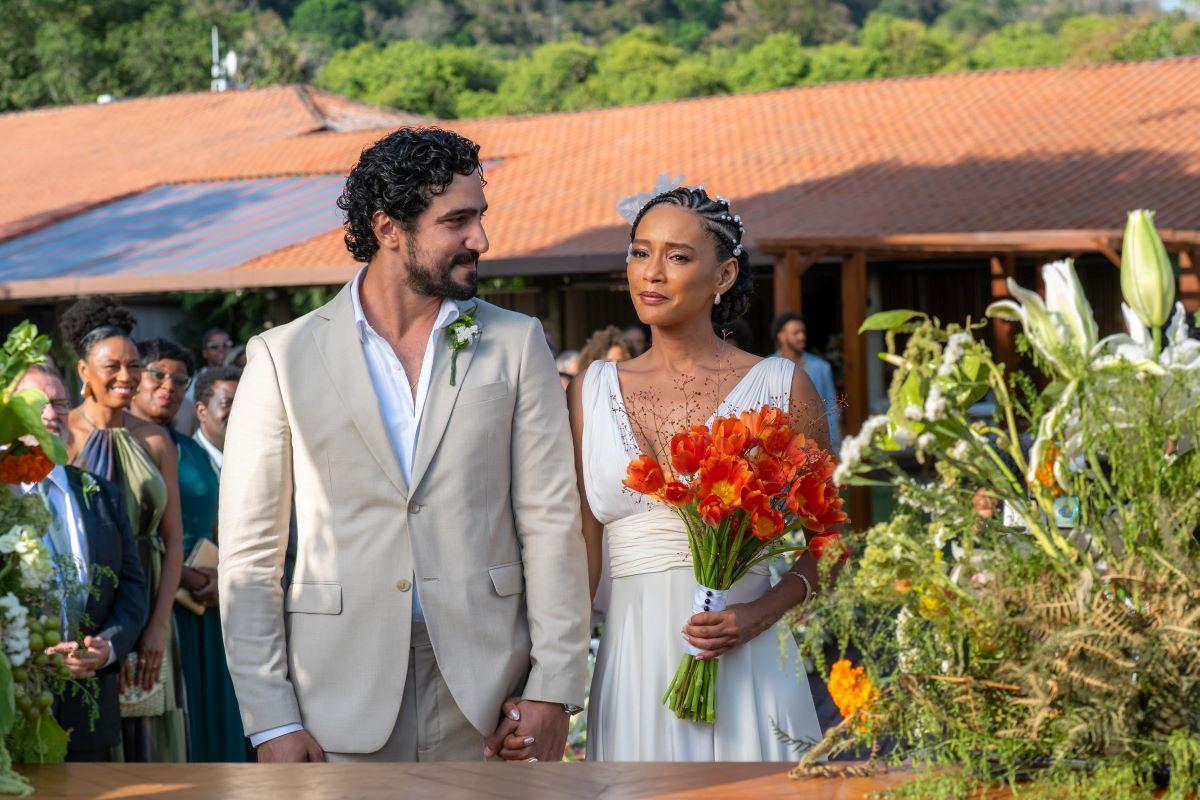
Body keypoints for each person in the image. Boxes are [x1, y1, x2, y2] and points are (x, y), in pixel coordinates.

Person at [218, 126, 590, 764]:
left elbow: (551, 521)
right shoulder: (282, 357)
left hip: (490, 698)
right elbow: (250, 559)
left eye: (480, 216)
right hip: (336, 697)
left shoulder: (516, 342)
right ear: (389, 228)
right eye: (457, 221)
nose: (481, 239)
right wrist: (270, 720)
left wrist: (554, 688)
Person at [567, 186, 825, 761]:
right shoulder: (590, 392)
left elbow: (829, 544)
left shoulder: (782, 388)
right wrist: (552, 684)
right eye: (640, 252)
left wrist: (758, 615)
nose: (652, 273)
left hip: (749, 663)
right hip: (632, 664)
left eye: (678, 257)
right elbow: (581, 553)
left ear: (723, 275)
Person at [58, 296, 188, 763]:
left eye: (134, 365)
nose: (126, 376)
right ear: (83, 371)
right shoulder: (62, 437)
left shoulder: (156, 439)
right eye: (112, 366)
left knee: (152, 735)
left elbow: (173, 539)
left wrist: (158, 625)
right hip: (87, 605)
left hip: (149, 597)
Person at [16, 364, 149, 763]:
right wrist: (30, 654)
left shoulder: (102, 494)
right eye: (36, 403)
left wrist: (108, 647)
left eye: (59, 403)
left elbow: (132, 585)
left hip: (88, 710)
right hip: (14, 706)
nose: (50, 413)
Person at [130, 339, 247, 762]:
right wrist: (188, 576)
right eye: (157, 375)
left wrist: (223, 575)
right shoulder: (121, 446)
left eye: (179, 380)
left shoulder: (192, 450)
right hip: (156, 601)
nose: (169, 387)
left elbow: (219, 523)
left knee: (215, 712)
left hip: (207, 602)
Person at [772, 312, 841, 449]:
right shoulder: (767, 366)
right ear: (781, 336)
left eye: (803, 332)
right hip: (778, 445)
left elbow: (831, 409)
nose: (802, 337)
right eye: (796, 333)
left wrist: (834, 447)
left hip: (815, 445)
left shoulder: (821, 367)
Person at [175, 329, 235, 436]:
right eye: (214, 347)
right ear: (205, 353)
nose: (221, 350)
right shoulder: (194, 384)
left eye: (226, 345)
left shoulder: (242, 379)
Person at [192, 367, 241, 475]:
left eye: (241, 404)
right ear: (202, 411)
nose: (237, 412)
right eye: (226, 404)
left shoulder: (249, 457)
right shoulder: (183, 461)